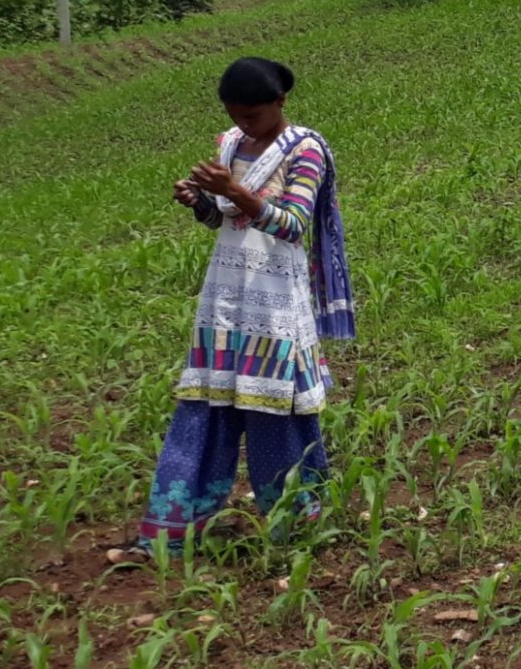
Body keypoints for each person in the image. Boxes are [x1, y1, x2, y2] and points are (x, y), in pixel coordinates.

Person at [109, 56, 353, 565]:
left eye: (254, 115)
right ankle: (175, 529)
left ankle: (293, 526)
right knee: (205, 407)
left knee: (273, 408)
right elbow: (225, 220)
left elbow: (291, 224)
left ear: (280, 103)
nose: (245, 124)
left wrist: (233, 191)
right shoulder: (229, 144)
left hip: (275, 301)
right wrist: (199, 201)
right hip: (225, 295)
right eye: (236, 114)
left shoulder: (305, 149)